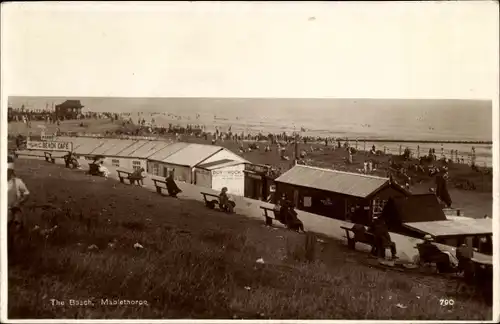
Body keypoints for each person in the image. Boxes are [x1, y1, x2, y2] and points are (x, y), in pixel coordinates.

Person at [7, 158, 30, 232]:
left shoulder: (18, 182)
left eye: (7, 172)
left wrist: (19, 202)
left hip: (13, 211)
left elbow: (26, 194)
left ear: (11, 171)